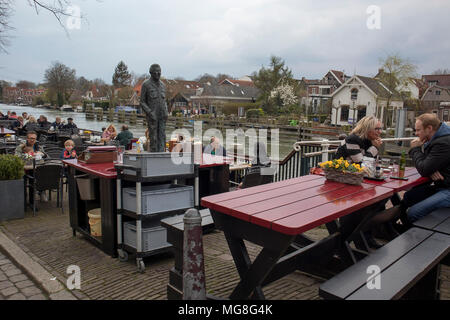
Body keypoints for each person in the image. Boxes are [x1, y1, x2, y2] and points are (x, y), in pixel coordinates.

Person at [334, 115, 386, 249]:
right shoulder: (352, 139)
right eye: (377, 129)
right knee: (364, 205)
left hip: (358, 179)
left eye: (380, 129)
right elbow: (361, 164)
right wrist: (374, 148)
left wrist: (373, 149)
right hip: (343, 179)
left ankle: (366, 237)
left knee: (378, 203)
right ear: (368, 128)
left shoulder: (370, 141)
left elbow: (372, 164)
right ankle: (348, 238)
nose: (380, 132)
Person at [398, 113, 450, 225]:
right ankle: (389, 230)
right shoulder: (440, 138)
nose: (416, 134)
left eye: (418, 130)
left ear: (429, 128)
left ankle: (419, 239)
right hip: (442, 184)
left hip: (447, 190)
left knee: (414, 213)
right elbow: (428, 165)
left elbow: (424, 168)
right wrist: (430, 168)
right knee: (409, 197)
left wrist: (415, 150)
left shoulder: (443, 143)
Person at [140, 64, 168, 152]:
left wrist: (166, 111)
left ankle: (162, 154)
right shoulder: (146, 84)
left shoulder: (163, 85)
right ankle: (154, 155)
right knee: (154, 137)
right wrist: (149, 112)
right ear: (151, 73)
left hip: (162, 115)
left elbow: (164, 101)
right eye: (155, 72)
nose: (158, 73)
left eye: (159, 71)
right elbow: (142, 102)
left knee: (162, 136)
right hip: (152, 116)